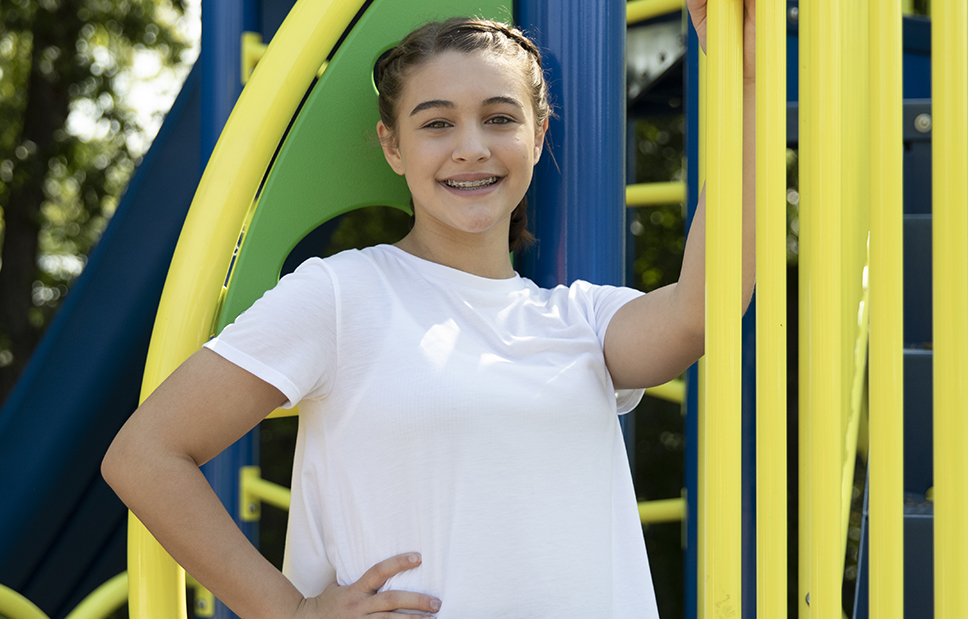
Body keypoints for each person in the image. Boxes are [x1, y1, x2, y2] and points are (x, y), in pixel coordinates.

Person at [102, 3, 756, 617]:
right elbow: (146, 454)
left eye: (500, 118)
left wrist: (745, 82)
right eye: (437, 122)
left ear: (538, 135)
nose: (471, 145)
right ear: (393, 146)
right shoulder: (343, 293)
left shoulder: (581, 318)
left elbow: (703, 311)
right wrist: (288, 609)